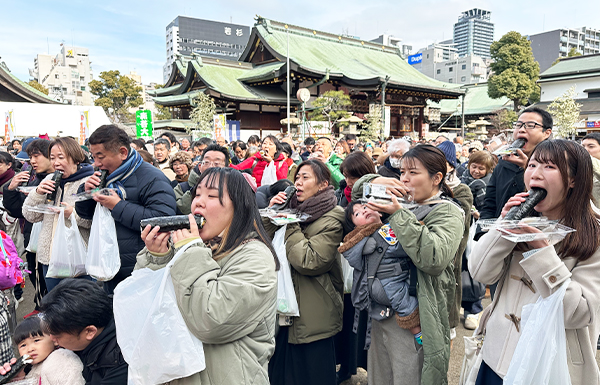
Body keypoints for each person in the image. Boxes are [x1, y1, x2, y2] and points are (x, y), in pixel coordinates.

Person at [470, 140, 600, 385]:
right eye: (532, 165)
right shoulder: (523, 219)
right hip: (496, 358)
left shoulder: (594, 235)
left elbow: (579, 313)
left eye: (550, 167)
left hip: (549, 367)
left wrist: (542, 254)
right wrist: (503, 226)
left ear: (573, 179)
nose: (535, 174)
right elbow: (480, 273)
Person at [137, 167, 278, 384]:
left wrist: (189, 251)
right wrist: (158, 257)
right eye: (197, 194)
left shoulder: (255, 256)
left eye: (212, 195)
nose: (198, 203)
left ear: (239, 207)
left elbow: (212, 320)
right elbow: (146, 308)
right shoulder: (189, 248)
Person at [349, 145, 464, 384]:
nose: (404, 179)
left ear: (437, 178)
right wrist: (380, 179)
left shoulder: (448, 212)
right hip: (382, 312)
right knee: (380, 376)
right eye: (402, 172)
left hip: (417, 313)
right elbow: (357, 188)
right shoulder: (402, 201)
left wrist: (399, 214)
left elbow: (434, 258)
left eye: (413, 172)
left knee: (409, 375)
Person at [266, 160, 345, 385]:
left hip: (313, 315)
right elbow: (260, 239)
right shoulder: (292, 208)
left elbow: (309, 261)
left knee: (313, 376)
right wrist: (274, 212)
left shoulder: (333, 217)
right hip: (283, 311)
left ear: (323, 185)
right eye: (297, 177)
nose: (298, 183)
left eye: (306, 178)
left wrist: (289, 222)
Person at [75, 125, 176, 294]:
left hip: (139, 268)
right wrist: (85, 191)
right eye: (93, 157)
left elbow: (163, 219)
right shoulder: (105, 175)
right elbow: (86, 214)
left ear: (122, 152)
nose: (96, 163)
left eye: (100, 157)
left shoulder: (152, 177)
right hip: (107, 264)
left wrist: (117, 206)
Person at [340, 202, 422, 344]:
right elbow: (402, 248)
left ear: (379, 212)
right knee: (404, 303)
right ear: (355, 227)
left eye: (365, 207)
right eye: (357, 213)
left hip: (379, 281)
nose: (364, 211)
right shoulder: (382, 232)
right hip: (387, 284)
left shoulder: (377, 232)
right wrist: (417, 229)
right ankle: (418, 334)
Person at [22, 138, 94, 292]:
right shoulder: (49, 179)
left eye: (61, 157)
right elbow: (30, 216)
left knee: (82, 309)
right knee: (56, 308)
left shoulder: (89, 181)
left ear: (75, 157)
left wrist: (72, 214)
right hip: (49, 259)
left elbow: (94, 221)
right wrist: (38, 192)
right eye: (52, 158)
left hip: (79, 259)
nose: (56, 163)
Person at [38, 279, 127, 384]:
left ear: (89, 332)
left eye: (57, 335)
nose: (52, 338)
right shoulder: (96, 318)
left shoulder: (121, 364)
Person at [478, 107, 553, 223]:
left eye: (530, 125)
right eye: (518, 125)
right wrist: (482, 233)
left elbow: (551, 200)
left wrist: (527, 167)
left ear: (546, 133)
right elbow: (490, 202)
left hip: (535, 232)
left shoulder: (554, 164)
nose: (521, 130)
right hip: (500, 231)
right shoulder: (503, 163)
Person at [3, 139, 53, 310]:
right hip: (33, 240)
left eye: (36, 156)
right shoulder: (33, 179)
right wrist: (11, 188)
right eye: (30, 157)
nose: (32, 161)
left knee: (55, 287)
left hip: (58, 244)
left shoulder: (64, 179)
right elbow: (19, 210)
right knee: (36, 276)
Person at [1, 315, 86, 384]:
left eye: (36, 340)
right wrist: (19, 380)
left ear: (54, 339)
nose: (30, 349)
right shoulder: (29, 368)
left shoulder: (60, 360)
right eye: (23, 345)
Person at [174, 144, 230, 215]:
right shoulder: (182, 188)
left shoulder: (232, 188)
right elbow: (179, 211)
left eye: (216, 163)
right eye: (206, 162)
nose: (210, 167)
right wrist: (197, 189)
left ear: (227, 168)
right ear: (200, 167)